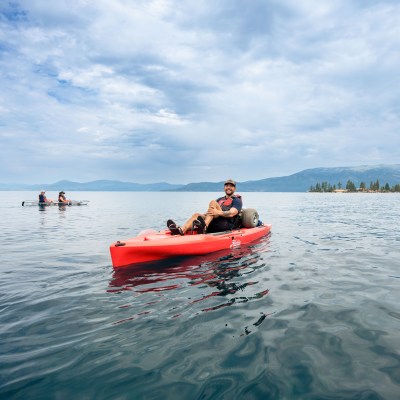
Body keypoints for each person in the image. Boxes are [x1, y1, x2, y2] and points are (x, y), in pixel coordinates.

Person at [167, 179, 243, 235]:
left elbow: (232, 213)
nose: (228, 187)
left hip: (225, 223)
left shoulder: (236, 200)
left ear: (234, 189)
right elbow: (210, 213)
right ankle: (181, 230)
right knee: (197, 215)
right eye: (227, 186)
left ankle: (204, 227)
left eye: (231, 186)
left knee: (212, 202)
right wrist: (203, 216)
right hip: (214, 223)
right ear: (224, 188)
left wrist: (218, 212)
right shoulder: (220, 199)